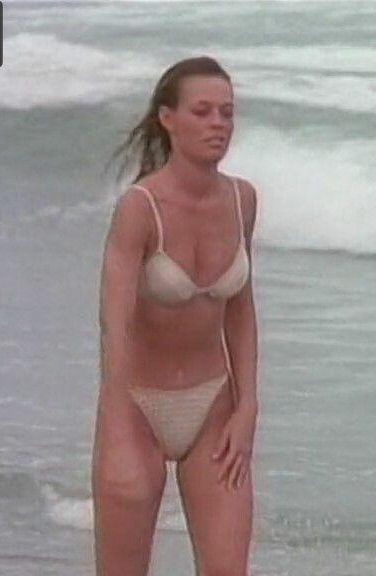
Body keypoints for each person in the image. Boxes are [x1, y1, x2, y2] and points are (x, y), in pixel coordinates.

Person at [91, 56, 260, 576]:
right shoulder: (140, 208)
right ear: (168, 118)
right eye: (202, 111)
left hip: (213, 407)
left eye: (226, 113)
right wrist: (117, 426)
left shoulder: (242, 200)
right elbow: (114, 325)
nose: (218, 124)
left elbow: (240, 310)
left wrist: (248, 406)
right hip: (137, 406)